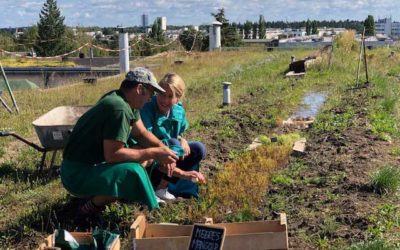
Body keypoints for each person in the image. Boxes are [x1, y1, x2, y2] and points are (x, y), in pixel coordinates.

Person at [61, 67, 179, 218]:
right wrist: (154, 153)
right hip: (76, 175)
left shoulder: (124, 100)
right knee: (131, 171)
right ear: (140, 89)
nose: (151, 99)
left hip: (89, 167)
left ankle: (106, 196)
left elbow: (142, 133)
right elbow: (113, 155)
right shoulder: (119, 108)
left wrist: (164, 150)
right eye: (150, 93)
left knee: (142, 155)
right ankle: (89, 209)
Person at [140, 73, 206, 203]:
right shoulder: (147, 108)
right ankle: (160, 188)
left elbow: (177, 134)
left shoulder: (178, 111)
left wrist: (183, 140)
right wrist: (174, 144)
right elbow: (145, 137)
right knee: (174, 144)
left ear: (178, 98)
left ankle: (185, 190)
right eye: (162, 94)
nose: (164, 100)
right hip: (151, 156)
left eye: (170, 96)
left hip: (171, 153)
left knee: (198, 149)